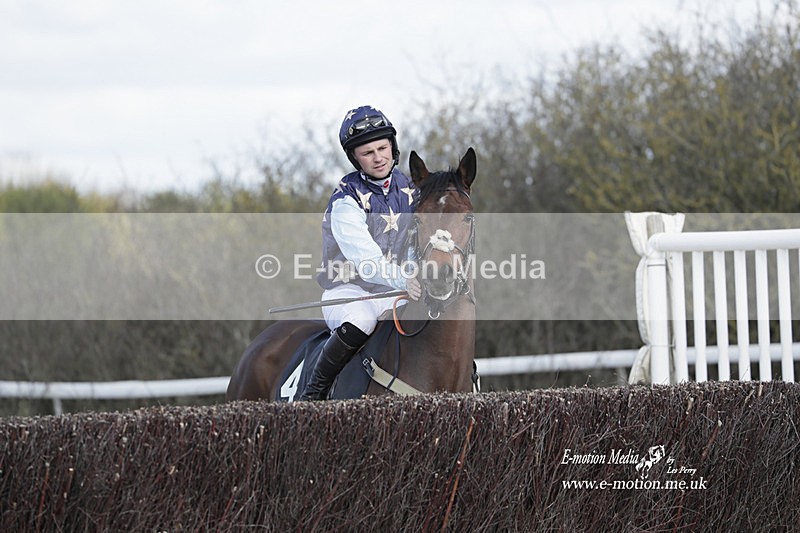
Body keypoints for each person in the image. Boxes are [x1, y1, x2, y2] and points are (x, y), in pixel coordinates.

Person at [298, 105, 422, 401]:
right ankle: (312, 396)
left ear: (393, 147)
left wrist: (422, 274)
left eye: (382, 148)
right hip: (348, 290)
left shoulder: (412, 189)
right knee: (362, 321)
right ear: (355, 158)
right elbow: (367, 262)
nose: (378, 157)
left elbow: (421, 242)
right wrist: (406, 280)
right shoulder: (346, 200)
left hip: (393, 289)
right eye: (368, 153)